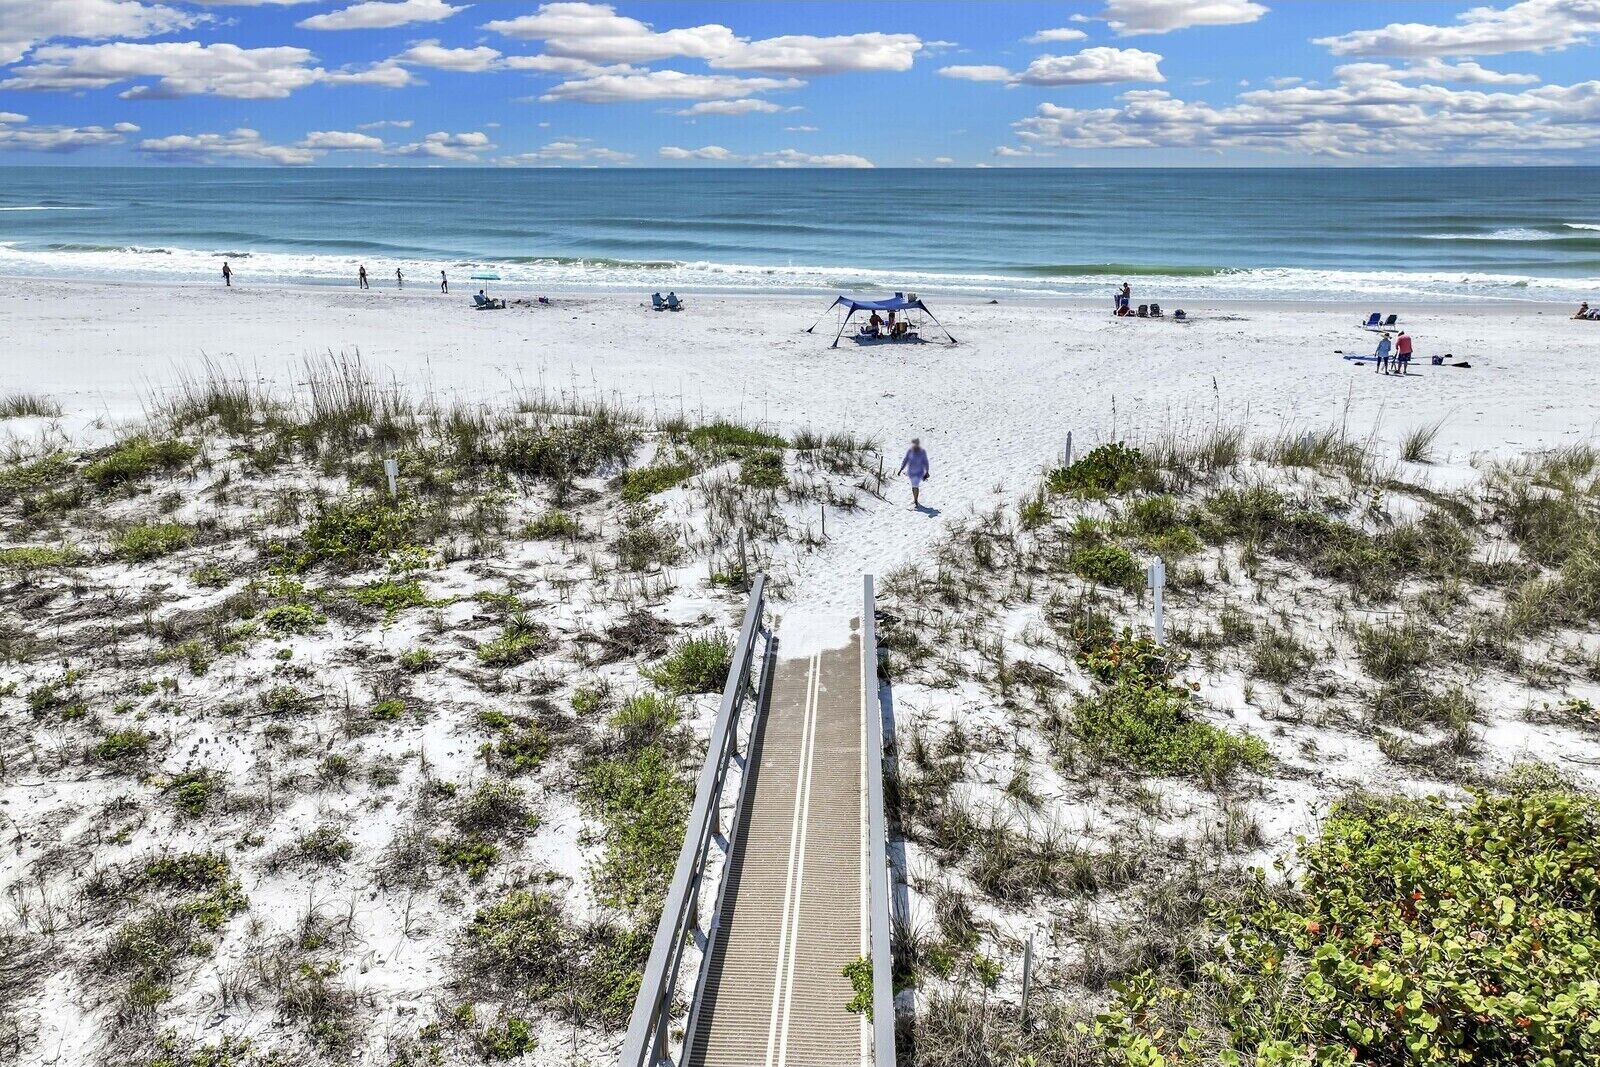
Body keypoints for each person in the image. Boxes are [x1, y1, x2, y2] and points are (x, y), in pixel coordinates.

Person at [898, 438, 930, 509]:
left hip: (919, 472)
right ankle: (915, 499)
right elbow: (905, 460)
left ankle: (916, 500)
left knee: (915, 486)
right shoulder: (910, 451)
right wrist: (901, 469)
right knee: (913, 487)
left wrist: (927, 471)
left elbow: (925, 462)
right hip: (911, 472)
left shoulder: (922, 452)